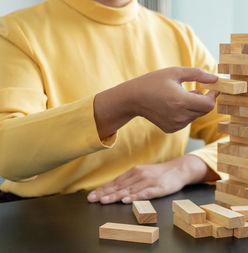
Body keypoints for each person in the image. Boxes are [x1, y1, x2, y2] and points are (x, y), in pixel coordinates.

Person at [0, 0, 228, 204]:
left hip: (161, 209)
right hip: (42, 217)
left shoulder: (181, 36)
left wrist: (184, 169)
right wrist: (125, 101)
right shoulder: (16, 32)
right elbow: (7, 154)